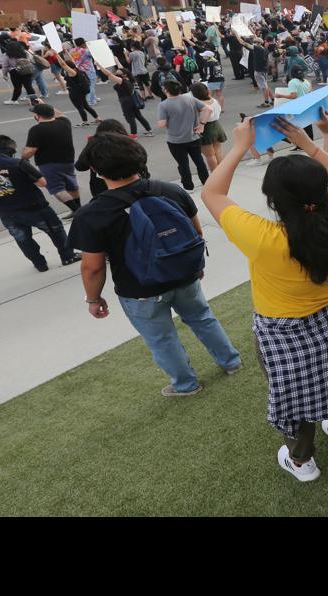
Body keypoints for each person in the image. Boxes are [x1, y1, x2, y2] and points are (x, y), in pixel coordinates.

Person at [200, 112, 328, 483]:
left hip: (282, 331)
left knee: (294, 397)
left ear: (273, 198)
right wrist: (316, 140)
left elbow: (211, 193)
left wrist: (240, 145)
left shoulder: (265, 238)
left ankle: (302, 461)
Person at [66, 130, 241, 397]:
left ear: (96, 170)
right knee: (203, 318)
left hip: (139, 289)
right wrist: (195, 266)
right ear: (139, 158)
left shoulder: (92, 214)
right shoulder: (170, 190)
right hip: (184, 275)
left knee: (161, 338)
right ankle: (231, 362)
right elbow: (196, 233)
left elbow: (93, 266)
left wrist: (93, 298)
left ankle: (185, 385)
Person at [0, 133, 78, 272]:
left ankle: (40, 264)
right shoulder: (18, 163)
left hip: (5, 211)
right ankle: (68, 256)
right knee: (55, 230)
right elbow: (42, 183)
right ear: (11, 150)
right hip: (34, 208)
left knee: (23, 239)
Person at [22, 102, 81, 217]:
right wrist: (44, 104)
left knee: (57, 189)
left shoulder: (36, 129)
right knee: (71, 185)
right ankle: (78, 209)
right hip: (67, 160)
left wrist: (23, 157)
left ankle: (78, 211)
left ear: (37, 116)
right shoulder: (64, 123)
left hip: (49, 164)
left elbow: (30, 151)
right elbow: (61, 114)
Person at [75, 118, 148, 200]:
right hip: (134, 184)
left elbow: (80, 166)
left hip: (102, 188)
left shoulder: (95, 146)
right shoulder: (130, 143)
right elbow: (142, 162)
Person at [155, 79, 207, 189]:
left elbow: (162, 124)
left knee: (183, 164)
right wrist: (202, 124)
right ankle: (206, 182)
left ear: (166, 90)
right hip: (193, 136)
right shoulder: (190, 99)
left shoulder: (163, 105)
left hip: (175, 141)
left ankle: (188, 186)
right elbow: (207, 109)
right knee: (199, 161)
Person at [52, 49, 98, 124]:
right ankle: (97, 118)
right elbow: (71, 60)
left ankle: (85, 121)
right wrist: (66, 52)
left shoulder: (72, 73)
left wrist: (56, 54)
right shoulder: (76, 68)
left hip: (75, 92)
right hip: (81, 91)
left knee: (80, 107)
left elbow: (63, 64)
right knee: (86, 106)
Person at [103, 66, 152, 136]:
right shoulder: (129, 79)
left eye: (120, 71)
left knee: (130, 118)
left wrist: (99, 65)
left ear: (124, 74)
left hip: (126, 102)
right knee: (138, 116)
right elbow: (122, 68)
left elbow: (109, 74)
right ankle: (149, 130)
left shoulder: (121, 80)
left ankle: (133, 134)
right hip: (132, 100)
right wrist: (116, 60)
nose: (118, 70)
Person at [193, 82, 224, 171]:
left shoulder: (199, 104)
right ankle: (222, 171)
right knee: (217, 151)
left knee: (209, 155)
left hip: (206, 128)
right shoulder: (213, 100)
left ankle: (214, 174)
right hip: (217, 126)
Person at [246, 38, 272, 106]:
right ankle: (272, 99)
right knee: (265, 85)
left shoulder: (258, 49)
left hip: (259, 70)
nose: (253, 43)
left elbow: (244, 43)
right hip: (264, 69)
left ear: (257, 43)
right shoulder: (265, 49)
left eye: (254, 42)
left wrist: (236, 34)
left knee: (264, 87)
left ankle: (266, 102)